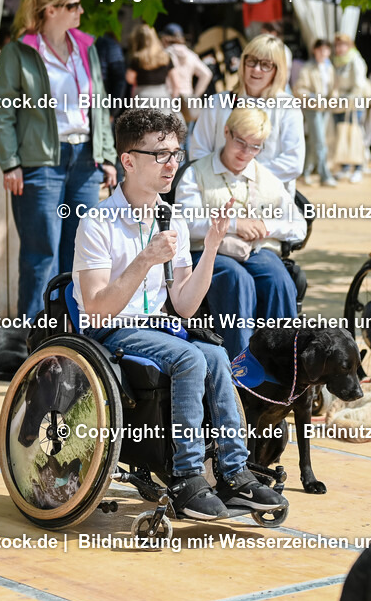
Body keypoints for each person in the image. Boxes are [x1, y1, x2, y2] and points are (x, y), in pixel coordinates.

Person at [73, 108, 287, 520]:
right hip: (110, 331)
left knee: (217, 355)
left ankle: (234, 473)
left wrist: (211, 247)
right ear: (129, 160)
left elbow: (185, 304)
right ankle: (187, 476)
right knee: (190, 357)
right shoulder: (98, 221)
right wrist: (145, 259)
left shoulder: (172, 217)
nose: (172, 164)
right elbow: (98, 307)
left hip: (159, 328)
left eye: (176, 153)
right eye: (160, 155)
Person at [0, 0, 118, 319]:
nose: (81, 10)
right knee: (40, 255)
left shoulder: (85, 46)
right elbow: (3, 111)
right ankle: (34, 344)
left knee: (82, 255)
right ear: (51, 10)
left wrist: (106, 156)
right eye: (73, 5)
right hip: (40, 163)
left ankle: (73, 341)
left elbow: (100, 105)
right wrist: (10, 163)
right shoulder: (19, 51)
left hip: (84, 162)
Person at [176, 107, 306, 357]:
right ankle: (240, 366)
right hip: (207, 252)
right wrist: (234, 224)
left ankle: (283, 363)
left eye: (255, 146)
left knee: (279, 278)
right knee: (237, 279)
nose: (246, 152)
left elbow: (298, 225)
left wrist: (267, 227)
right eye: (240, 142)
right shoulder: (196, 173)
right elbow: (185, 222)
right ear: (226, 132)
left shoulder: (266, 178)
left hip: (256, 251)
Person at [190, 34, 304, 196]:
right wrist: (223, 180)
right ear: (242, 62)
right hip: (219, 195)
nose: (256, 69)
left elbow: (293, 162)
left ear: (277, 70)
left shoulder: (287, 107)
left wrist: (246, 178)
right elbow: (199, 152)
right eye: (252, 61)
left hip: (269, 199)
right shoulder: (217, 102)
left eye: (266, 65)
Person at [295, 39, 337, 186]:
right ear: (314, 50)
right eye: (320, 49)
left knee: (315, 141)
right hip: (312, 108)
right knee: (320, 141)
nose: (323, 53)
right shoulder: (308, 68)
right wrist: (315, 98)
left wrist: (333, 99)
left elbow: (333, 88)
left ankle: (304, 171)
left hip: (325, 107)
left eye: (326, 50)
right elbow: (300, 89)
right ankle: (324, 175)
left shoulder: (329, 67)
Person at [332, 33, 371, 182]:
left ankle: (359, 168)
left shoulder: (355, 60)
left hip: (355, 104)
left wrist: (347, 99)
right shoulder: (337, 61)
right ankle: (345, 167)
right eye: (337, 45)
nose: (339, 48)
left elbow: (359, 85)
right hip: (340, 105)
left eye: (342, 44)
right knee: (343, 135)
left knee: (356, 135)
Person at [127, 23, 178, 119]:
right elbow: (176, 84)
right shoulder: (165, 57)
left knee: (142, 128)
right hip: (162, 95)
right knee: (163, 129)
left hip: (142, 95)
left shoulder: (137, 58)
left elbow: (129, 78)